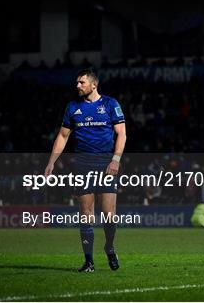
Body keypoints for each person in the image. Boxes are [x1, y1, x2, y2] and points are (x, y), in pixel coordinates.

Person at [44, 68, 126, 272]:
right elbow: (63, 136)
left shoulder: (110, 104)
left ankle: (109, 246)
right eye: (77, 82)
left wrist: (115, 160)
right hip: (82, 166)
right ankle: (89, 261)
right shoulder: (73, 107)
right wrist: (51, 162)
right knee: (86, 214)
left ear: (93, 84)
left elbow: (122, 134)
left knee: (108, 214)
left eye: (81, 82)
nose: (77, 86)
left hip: (106, 164)